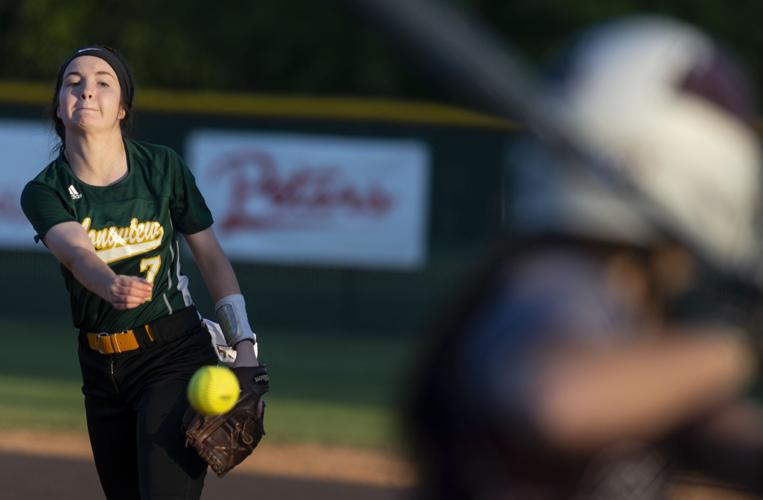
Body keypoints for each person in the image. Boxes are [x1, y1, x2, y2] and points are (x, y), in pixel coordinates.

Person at [406, 17, 763, 500]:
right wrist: (740, 345)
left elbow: (716, 433)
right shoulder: (560, 282)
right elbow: (559, 402)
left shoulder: (630, 313)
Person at [19, 45, 267, 500]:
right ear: (58, 105)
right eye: (72, 83)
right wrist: (108, 283)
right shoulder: (44, 191)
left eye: (102, 82)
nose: (86, 90)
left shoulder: (162, 168)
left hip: (171, 353)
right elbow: (76, 253)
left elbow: (211, 258)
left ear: (122, 108)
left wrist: (244, 345)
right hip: (99, 367)